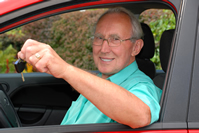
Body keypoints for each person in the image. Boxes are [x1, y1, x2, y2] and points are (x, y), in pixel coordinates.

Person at [17, 7, 162, 129]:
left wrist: (66, 70)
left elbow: (141, 115)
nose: (104, 49)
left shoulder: (141, 85)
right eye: (99, 38)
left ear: (136, 47)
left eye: (115, 39)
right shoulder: (96, 81)